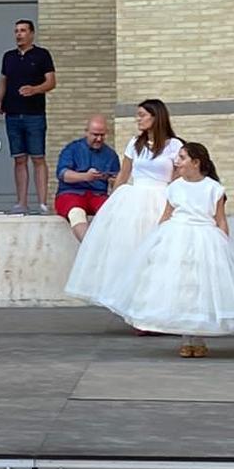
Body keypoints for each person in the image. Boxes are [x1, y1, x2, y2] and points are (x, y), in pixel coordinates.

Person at [117, 142, 234, 359]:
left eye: (183, 157)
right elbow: (167, 215)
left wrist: (224, 244)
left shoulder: (213, 189)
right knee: (181, 287)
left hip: (205, 238)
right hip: (177, 237)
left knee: (200, 287)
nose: (177, 162)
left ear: (196, 163)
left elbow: (220, 219)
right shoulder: (175, 187)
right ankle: (186, 338)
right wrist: (157, 241)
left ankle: (199, 337)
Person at [63, 99, 183, 318]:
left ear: (155, 117)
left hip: (161, 198)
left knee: (156, 255)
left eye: (142, 115)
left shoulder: (174, 146)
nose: (138, 119)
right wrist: (112, 203)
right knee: (130, 253)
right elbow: (123, 175)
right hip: (134, 200)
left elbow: (177, 178)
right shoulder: (134, 144)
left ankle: (156, 307)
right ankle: (135, 308)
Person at [0, 19, 56, 213]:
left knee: (38, 157)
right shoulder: (9, 57)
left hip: (34, 114)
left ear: (31, 33)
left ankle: (42, 203)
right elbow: (4, 80)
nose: (19, 34)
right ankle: (21, 202)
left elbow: (51, 82)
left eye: (22, 31)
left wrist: (35, 89)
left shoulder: (42, 55)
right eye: (16, 31)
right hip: (12, 113)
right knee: (19, 159)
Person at [53, 115, 120, 241]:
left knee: (113, 212)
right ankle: (88, 246)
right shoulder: (72, 149)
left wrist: (113, 181)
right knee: (76, 213)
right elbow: (63, 175)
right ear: (86, 132)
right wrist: (85, 177)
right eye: (95, 135)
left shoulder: (111, 154)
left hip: (98, 194)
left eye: (102, 135)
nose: (99, 139)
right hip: (71, 193)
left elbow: (117, 181)